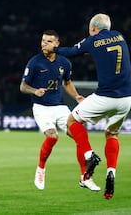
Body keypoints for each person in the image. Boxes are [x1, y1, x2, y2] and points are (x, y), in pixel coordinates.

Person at [50, 13, 131, 199]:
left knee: (71, 122)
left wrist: (54, 48)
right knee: (111, 134)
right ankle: (111, 171)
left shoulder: (93, 40)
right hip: (126, 98)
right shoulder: (120, 36)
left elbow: (72, 51)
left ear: (94, 28)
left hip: (105, 96)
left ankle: (89, 155)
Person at [20, 30, 100, 191]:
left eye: (48, 41)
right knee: (52, 136)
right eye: (43, 41)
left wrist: (77, 96)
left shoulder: (65, 63)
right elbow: (23, 86)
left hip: (60, 106)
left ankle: (85, 177)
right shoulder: (35, 62)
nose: (44, 44)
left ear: (57, 44)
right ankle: (41, 169)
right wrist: (34, 91)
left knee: (78, 134)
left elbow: (67, 83)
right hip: (41, 107)